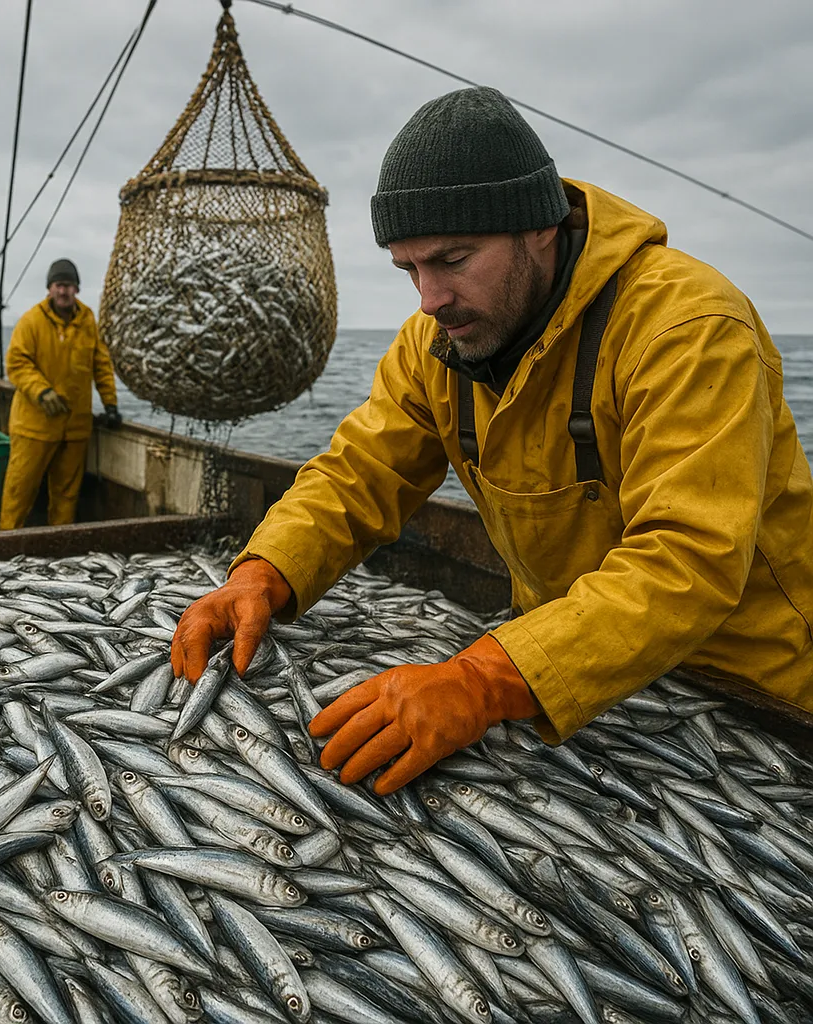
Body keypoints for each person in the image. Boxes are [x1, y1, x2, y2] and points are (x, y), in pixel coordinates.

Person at [171, 86, 813, 796]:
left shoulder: (687, 328)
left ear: (540, 227)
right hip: (563, 682)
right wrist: (264, 572)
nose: (428, 298)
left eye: (452, 259)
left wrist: (479, 680)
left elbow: (689, 560)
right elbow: (358, 472)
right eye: (410, 269)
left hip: (756, 700)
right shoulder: (437, 342)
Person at [0, 258, 122, 530]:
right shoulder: (31, 321)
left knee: (66, 495)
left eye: (69, 285)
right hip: (34, 426)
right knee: (19, 490)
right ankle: (5, 544)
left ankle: (59, 548)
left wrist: (110, 404)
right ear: (49, 289)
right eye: (59, 285)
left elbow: (101, 364)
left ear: (76, 289)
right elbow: (17, 363)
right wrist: (42, 392)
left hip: (75, 426)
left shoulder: (88, 319)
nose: (64, 291)